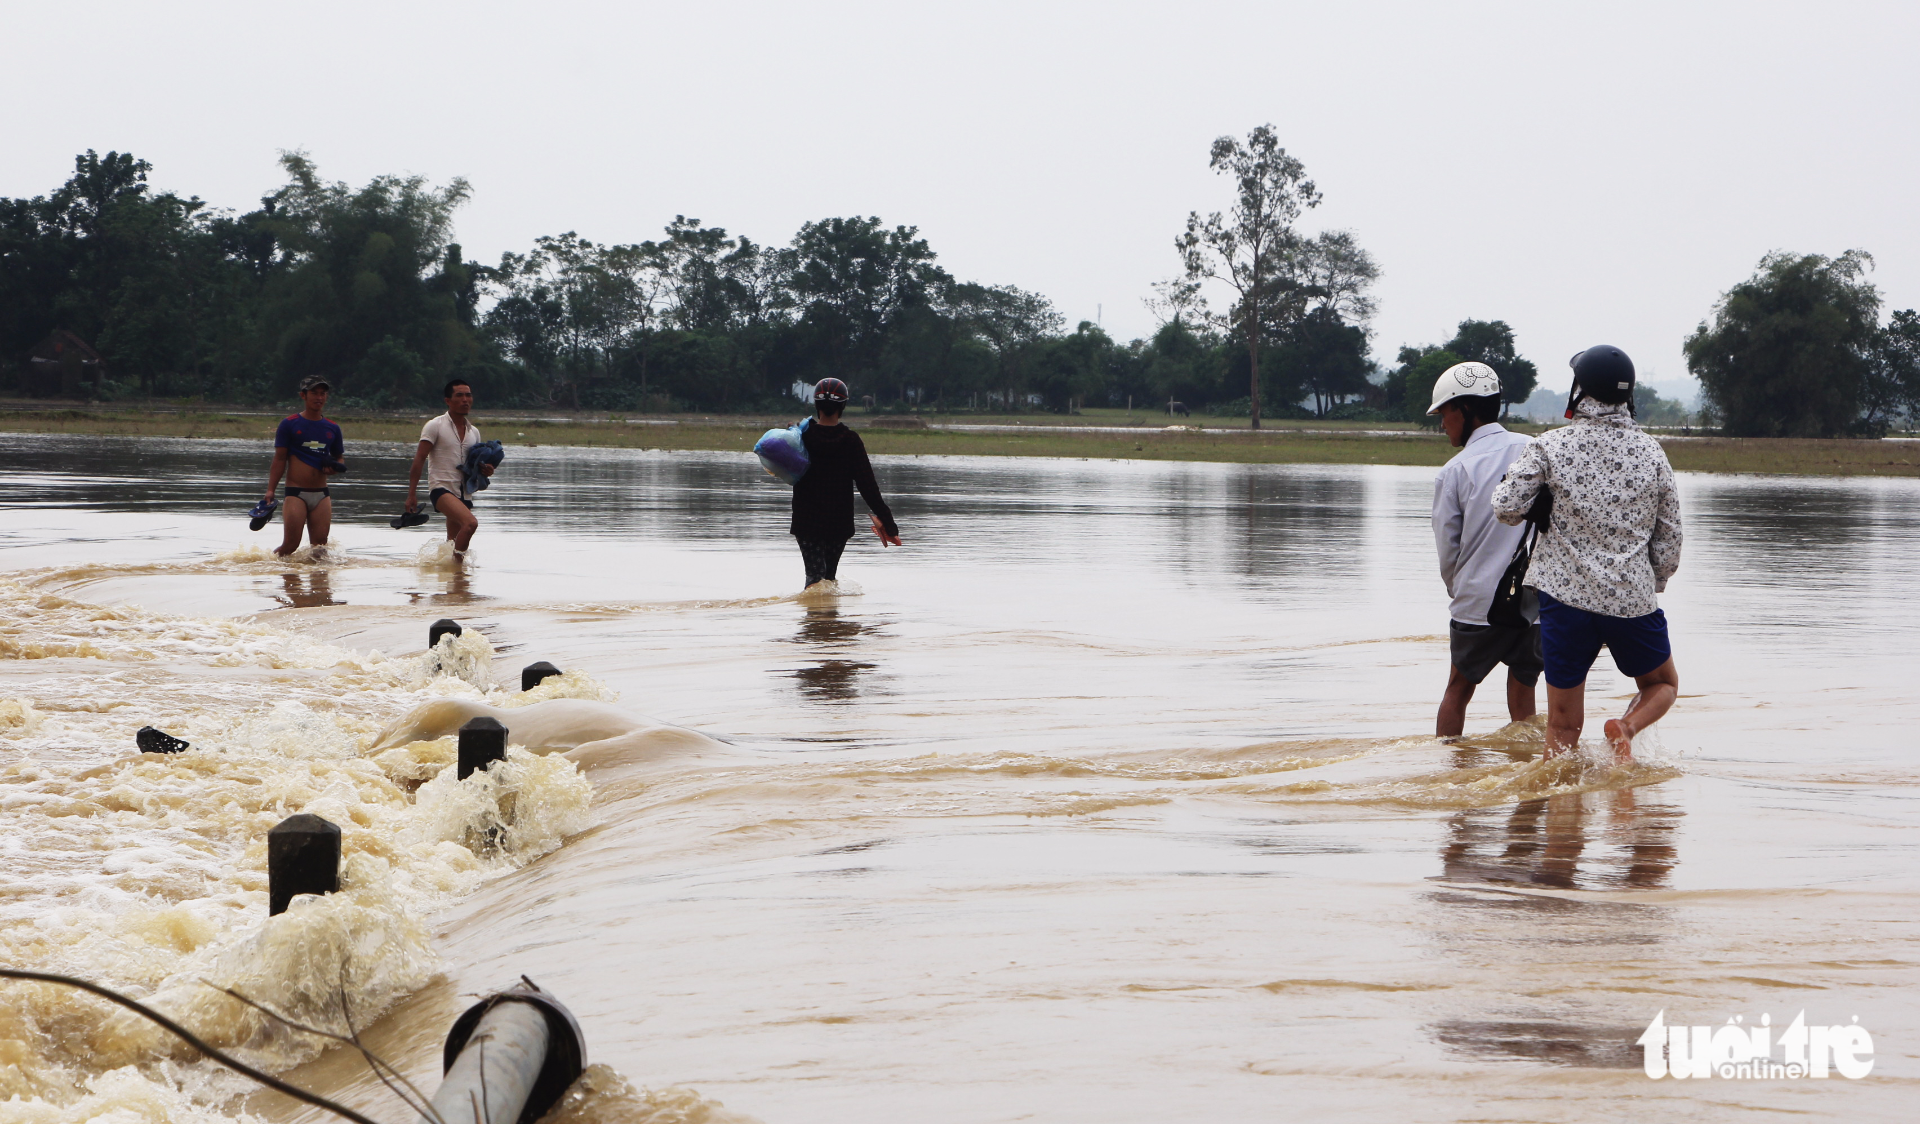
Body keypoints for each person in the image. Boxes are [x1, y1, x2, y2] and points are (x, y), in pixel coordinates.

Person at [1492, 345, 1682, 760]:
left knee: (1562, 726)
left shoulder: (1550, 445)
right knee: (1662, 683)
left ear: (1580, 391)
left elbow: (1505, 507)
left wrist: (1538, 502)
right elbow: (1669, 538)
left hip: (1565, 602)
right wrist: (1652, 582)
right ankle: (1626, 727)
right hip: (1632, 599)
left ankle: (1553, 798)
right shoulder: (1652, 452)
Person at [1428, 361, 1542, 737]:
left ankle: (1449, 765)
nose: (1442, 424)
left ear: (1464, 409)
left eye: (1444, 412)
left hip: (1477, 603)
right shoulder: (1535, 450)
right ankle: (1527, 768)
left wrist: (1459, 590)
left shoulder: (1455, 471)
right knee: (1524, 694)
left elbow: (1448, 549)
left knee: (1457, 691)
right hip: (1533, 602)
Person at [790, 378, 901, 588]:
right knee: (828, 579)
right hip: (838, 523)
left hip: (807, 522)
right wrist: (889, 523)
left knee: (814, 579)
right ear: (843, 406)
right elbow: (868, 486)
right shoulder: (851, 441)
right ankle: (827, 611)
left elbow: (782, 468)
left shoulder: (803, 437)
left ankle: (814, 609)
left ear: (816, 405)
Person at [261, 374, 346, 557]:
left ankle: (318, 577)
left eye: (322, 393)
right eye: (314, 393)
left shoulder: (332, 428)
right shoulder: (289, 424)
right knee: (290, 546)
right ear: (303, 395)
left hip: (321, 495)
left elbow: (339, 458)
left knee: (320, 550)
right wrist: (270, 490)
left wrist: (335, 468)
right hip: (296, 493)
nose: (319, 397)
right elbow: (279, 459)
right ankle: (270, 568)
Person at [406, 378, 492, 554]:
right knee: (470, 523)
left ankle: (450, 569)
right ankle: (457, 565)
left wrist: (487, 470)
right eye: (459, 395)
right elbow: (420, 458)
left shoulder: (474, 432)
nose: (465, 400)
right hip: (441, 489)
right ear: (448, 400)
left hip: (464, 493)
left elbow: (475, 465)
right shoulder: (434, 426)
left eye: (468, 395)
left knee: (453, 541)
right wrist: (411, 494)